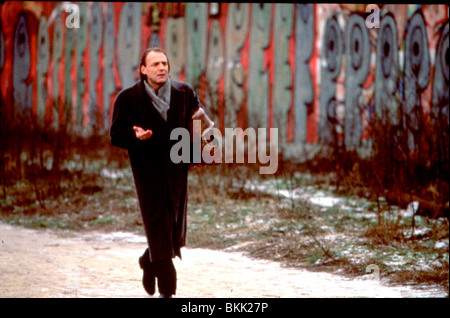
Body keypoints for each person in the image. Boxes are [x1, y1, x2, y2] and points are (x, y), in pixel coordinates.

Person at [110, 47, 204, 298]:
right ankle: (167, 291)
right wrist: (134, 135)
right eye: (155, 64)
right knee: (158, 226)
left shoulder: (184, 92)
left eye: (165, 63)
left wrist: (202, 151)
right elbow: (116, 134)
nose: (162, 68)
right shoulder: (128, 98)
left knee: (172, 227)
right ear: (143, 70)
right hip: (147, 170)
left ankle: (148, 260)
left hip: (176, 169)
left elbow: (199, 123)